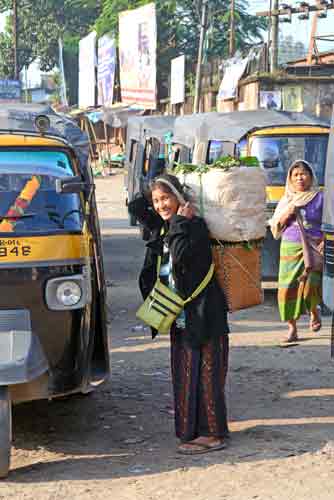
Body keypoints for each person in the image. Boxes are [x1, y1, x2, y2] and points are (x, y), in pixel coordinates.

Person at [128, 173, 230, 455]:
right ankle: (190, 432)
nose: (161, 205)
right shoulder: (161, 227)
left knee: (208, 376)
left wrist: (182, 219)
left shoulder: (193, 225)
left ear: (179, 198)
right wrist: (156, 179)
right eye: (157, 200)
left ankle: (214, 434)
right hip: (178, 315)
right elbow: (135, 206)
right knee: (184, 375)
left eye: (166, 198)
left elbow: (180, 254)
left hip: (205, 312)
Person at [270, 160, 324, 342]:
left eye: (303, 174)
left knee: (310, 287)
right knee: (287, 289)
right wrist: (290, 211)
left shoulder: (321, 198)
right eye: (296, 175)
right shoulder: (287, 199)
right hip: (290, 246)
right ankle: (292, 329)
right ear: (290, 179)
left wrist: (325, 241)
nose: (300, 178)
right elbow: (276, 225)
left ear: (311, 176)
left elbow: (330, 223)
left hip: (314, 246)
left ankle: (314, 311)